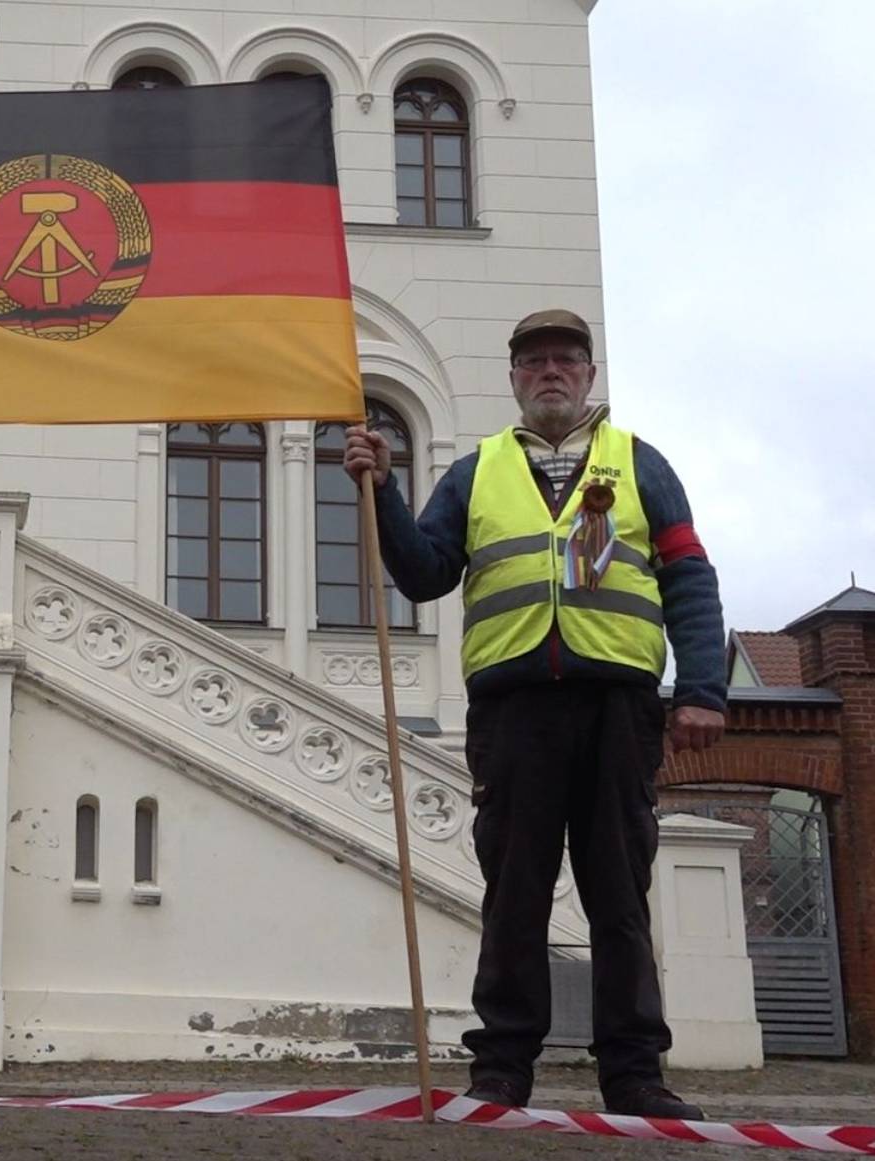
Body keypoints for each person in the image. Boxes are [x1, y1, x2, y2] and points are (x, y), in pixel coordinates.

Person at [343, 309, 724, 1119]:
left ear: (588, 375)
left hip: (617, 705)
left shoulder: (640, 464)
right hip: (513, 710)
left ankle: (633, 1074)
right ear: (514, 379)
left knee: (618, 894)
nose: (550, 371)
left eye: (565, 359)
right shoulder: (474, 472)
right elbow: (423, 574)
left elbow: (688, 577)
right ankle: (501, 1070)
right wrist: (383, 492)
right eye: (534, 361)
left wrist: (700, 688)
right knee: (513, 892)